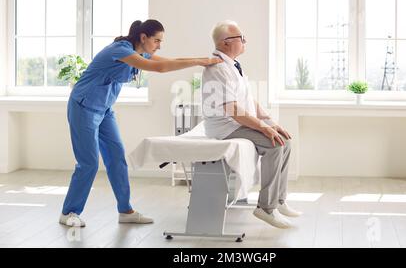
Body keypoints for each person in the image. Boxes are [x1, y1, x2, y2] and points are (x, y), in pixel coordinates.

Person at [59, 19, 222, 227]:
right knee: (89, 163)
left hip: (104, 110)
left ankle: (125, 211)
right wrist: (200, 62)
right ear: (143, 37)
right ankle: (69, 212)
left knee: (117, 158)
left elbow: (169, 60)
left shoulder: (140, 52)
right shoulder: (119, 50)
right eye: (156, 40)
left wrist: (201, 59)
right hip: (83, 107)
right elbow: (160, 68)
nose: (159, 45)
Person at [201, 20, 300, 229]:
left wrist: (271, 122)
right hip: (225, 126)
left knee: (285, 141)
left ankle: (279, 201)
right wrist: (264, 129)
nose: (245, 40)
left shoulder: (233, 65)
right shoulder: (218, 67)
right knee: (276, 144)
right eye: (241, 37)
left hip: (234, 121)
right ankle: (265, 207)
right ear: (226, 42)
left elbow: (248, 101)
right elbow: (233, 110)